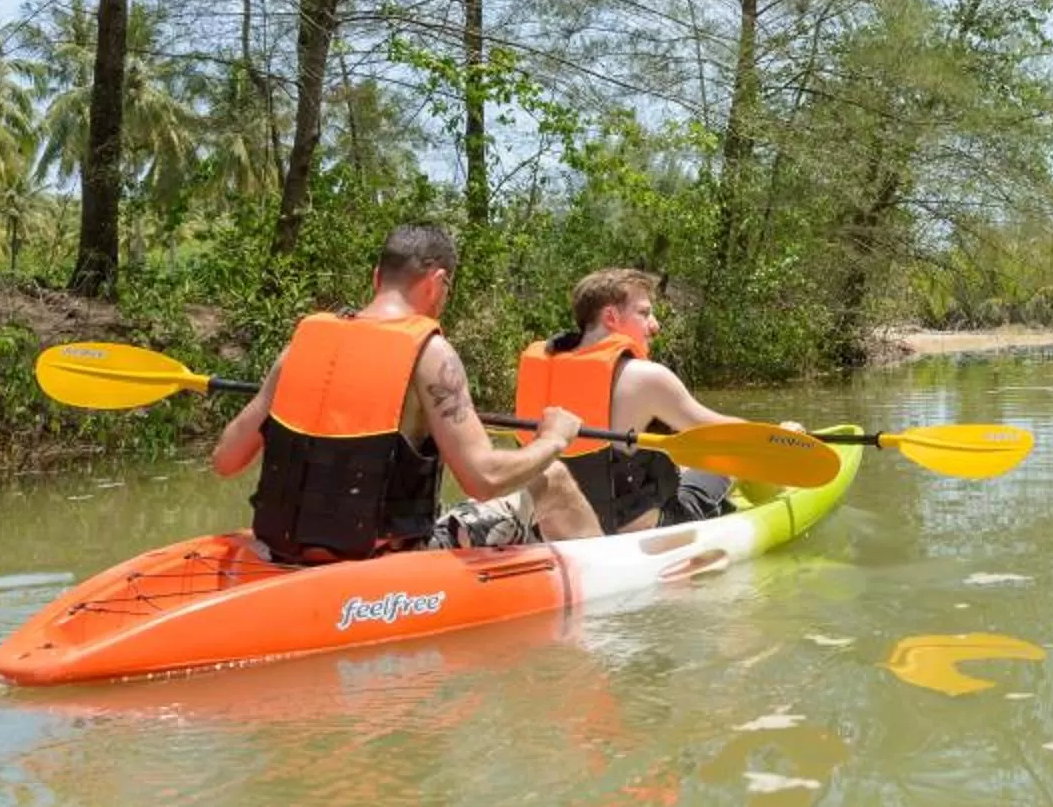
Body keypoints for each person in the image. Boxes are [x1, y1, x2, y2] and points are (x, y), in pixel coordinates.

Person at [210, 224, 600, 562]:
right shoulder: (431, 353)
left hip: (283, 549)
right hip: (384, 557)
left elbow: (226, 460)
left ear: (377, 277)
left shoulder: (301, 345)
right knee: (554, 477)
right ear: (437, 283)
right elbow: (484, 478)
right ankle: (608, 587)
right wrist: (553, 438)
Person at [511, 267, 741, 536]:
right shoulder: (646, 378)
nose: (654, 325)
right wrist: (783, 434)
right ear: (611, 316)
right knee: (723, 462)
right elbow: (727, 435)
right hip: (635, 532)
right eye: (644, 313)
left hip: (554, 532)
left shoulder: (541, 371)